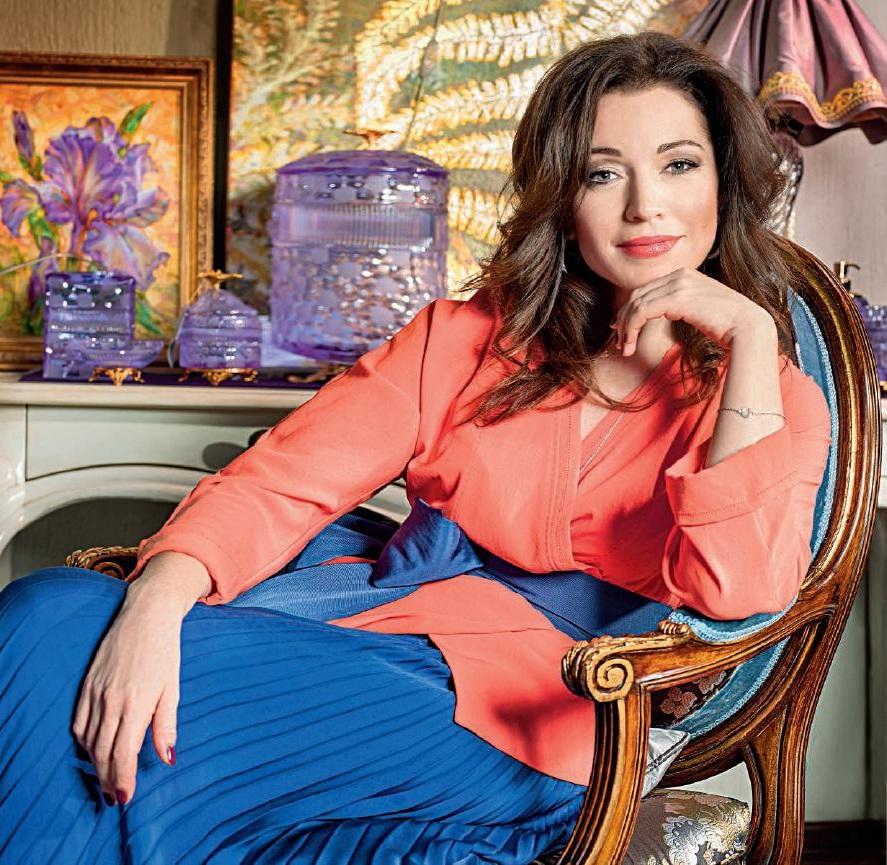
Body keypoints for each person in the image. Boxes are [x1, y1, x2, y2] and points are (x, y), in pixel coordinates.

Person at [0, 29, 831, 864]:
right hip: (378, 629)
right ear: (561, 198)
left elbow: (737, 594)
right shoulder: (464, 337)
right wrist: (154, 603)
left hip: (538, 711)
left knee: (128, 679)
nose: (644, 205)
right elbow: (281, 480)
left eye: (679, 164)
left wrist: (749, 343)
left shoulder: (773, 396)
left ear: (723, 180)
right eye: (601, 172)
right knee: (47, 612)